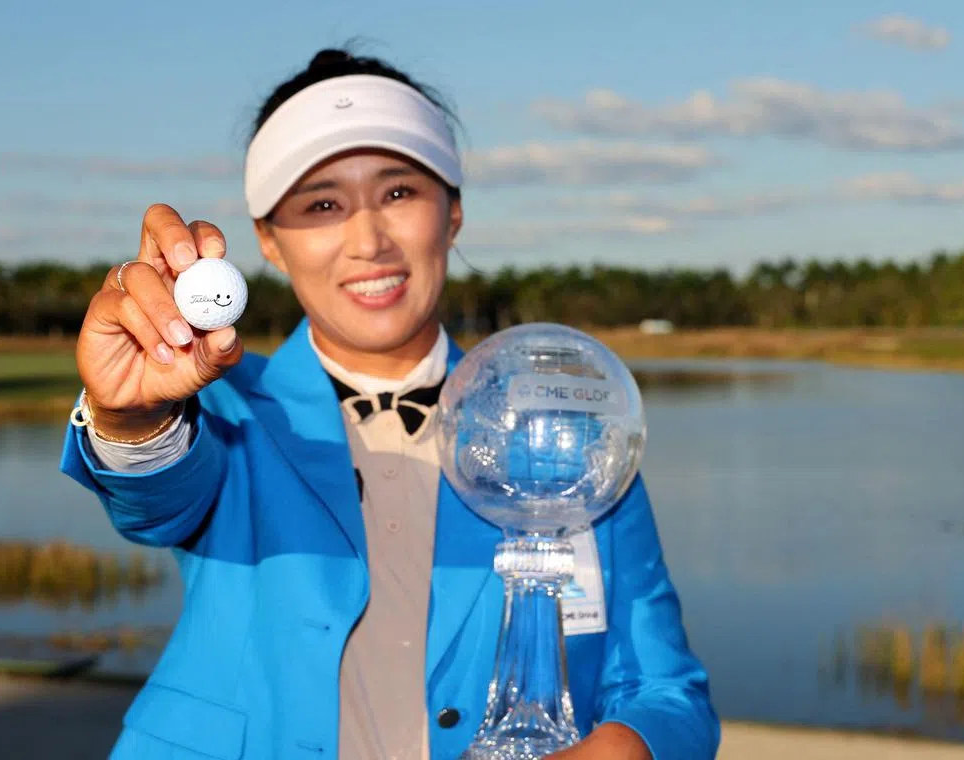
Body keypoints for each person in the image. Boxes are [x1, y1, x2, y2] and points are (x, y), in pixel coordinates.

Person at [59, 48, 719, 760]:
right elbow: (154, 497)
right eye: (322, 204)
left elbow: (667, 691)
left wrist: (625, 747)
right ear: (269, 243)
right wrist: (131, 417)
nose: (369, 240)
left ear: (454, 212)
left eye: (400, 192)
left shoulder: (568, 442)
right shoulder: (225, 410)